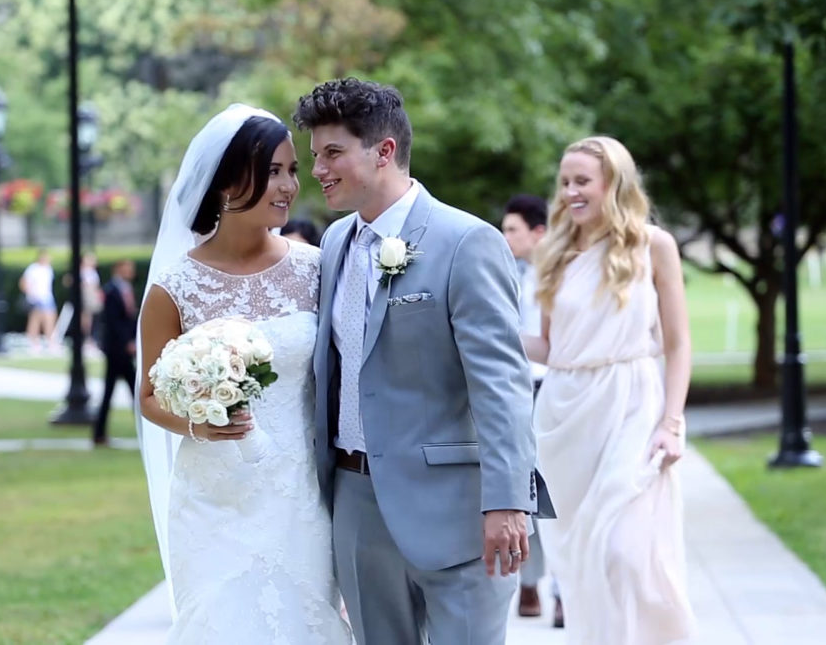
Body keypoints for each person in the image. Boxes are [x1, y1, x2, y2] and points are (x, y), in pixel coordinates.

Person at [295, 77, 552, 644]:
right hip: (357, 505)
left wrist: (508, 501)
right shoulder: (335, 243)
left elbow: (502, 384)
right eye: (316, 156)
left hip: (458, 510)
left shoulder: (467, 242)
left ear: (384, 151)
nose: (318, 169)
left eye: (332, 153)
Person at [137, 104, 352, 643]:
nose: (289, 186)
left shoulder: (315, 268)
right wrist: (199, 425)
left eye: (292, 171)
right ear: (229, 182)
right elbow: (148, 395)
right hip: (213, 496)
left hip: (298, 491)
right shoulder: (174, 287)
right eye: (273, 171)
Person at [524, 136, 696, 644]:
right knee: (581, 564)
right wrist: (490, 334)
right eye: (565, 182)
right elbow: (554, 348)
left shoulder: (653, 245)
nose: (571, 192)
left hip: (633, 406)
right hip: (567, 415)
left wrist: (672, 421)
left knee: (623, 551)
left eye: (582, 181)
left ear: (612, 184)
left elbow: (680, 343)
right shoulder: (554, 251)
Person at [501, 193, 564, 627]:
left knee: (556, 490)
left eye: (512, 230)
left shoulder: (561, 276)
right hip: (519, 388)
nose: (505, 238)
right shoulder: (512, 273)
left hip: (554, 389)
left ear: (538, 232)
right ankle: (530, 582)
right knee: (526, 487)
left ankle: (562, 590)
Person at [92, 259, 137, 447]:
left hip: (124, 349)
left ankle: (99, 433)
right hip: (116, 350)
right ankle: (99, 433)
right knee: (128, 390)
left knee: (133, 390)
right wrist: (126, 342)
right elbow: (113, 322)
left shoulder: (126, 289)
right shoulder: (111, 291)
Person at [19, 250, 57, 353]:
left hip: (47, 297)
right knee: (35, 320)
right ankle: (33, 343)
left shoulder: (48, 269)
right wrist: (31, 294)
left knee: (50, 319)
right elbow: (24, 282)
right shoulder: (33, 268)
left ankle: (51, 342)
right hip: (36, 298)